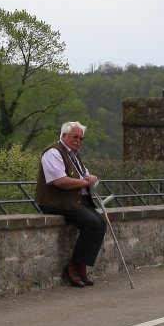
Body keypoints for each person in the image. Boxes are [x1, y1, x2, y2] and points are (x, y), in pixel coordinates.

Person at [35, 121, 104, 288]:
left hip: (74, 201)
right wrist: (85, 182)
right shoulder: (53, 152)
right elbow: (60, 181)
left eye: (81, 138)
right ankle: (73, 266)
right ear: (64, 135)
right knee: (92, 223)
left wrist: (91, 178)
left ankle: (82, 265)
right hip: (56, 202)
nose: (78, 141)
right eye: (75, 137)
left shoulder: (74, 155)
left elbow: (84, 176)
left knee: (101, 223)